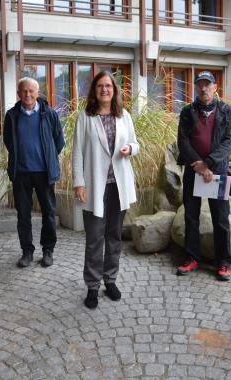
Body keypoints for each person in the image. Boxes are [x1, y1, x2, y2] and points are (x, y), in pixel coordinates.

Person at [72, 71, 139, 309]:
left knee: (114, 237)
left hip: (118, 186)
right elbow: (77, 153)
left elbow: (135, 143)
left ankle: (110, 280)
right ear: (94, 90)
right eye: (100, 86)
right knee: (94, 238)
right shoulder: (85, 117)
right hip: (94, 187)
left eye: (108, 86)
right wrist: (79, 183)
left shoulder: (124, 116)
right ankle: (92, 285)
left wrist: (129, 148)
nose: (104, 90)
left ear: (114, 90)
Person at [176, 71, 231, 281]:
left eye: (207, 84)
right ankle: (191, 258)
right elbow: (182, 141)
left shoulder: (227, 111)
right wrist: (197, 165)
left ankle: (224, 263)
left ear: (215, 87)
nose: (203, 88)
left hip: (217, 172)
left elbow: (229, 141)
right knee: (191, 217)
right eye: (199, 84)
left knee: (221, 218)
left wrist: (208, 163)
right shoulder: (187, 111)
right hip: (193, 171)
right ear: (196, 87)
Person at [3, 77, 65, 268]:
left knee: (48, 212)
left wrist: (47, 158)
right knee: (23, 214)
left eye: (31, 91)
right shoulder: (12, 115)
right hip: (21, 172)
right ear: (19, 93)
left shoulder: (49, 114)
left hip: (44, 172)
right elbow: (8, 141)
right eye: (24, 91)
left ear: (38, 93)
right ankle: (27, 252)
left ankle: (48, 251)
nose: (28, 94)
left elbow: (58, 141)